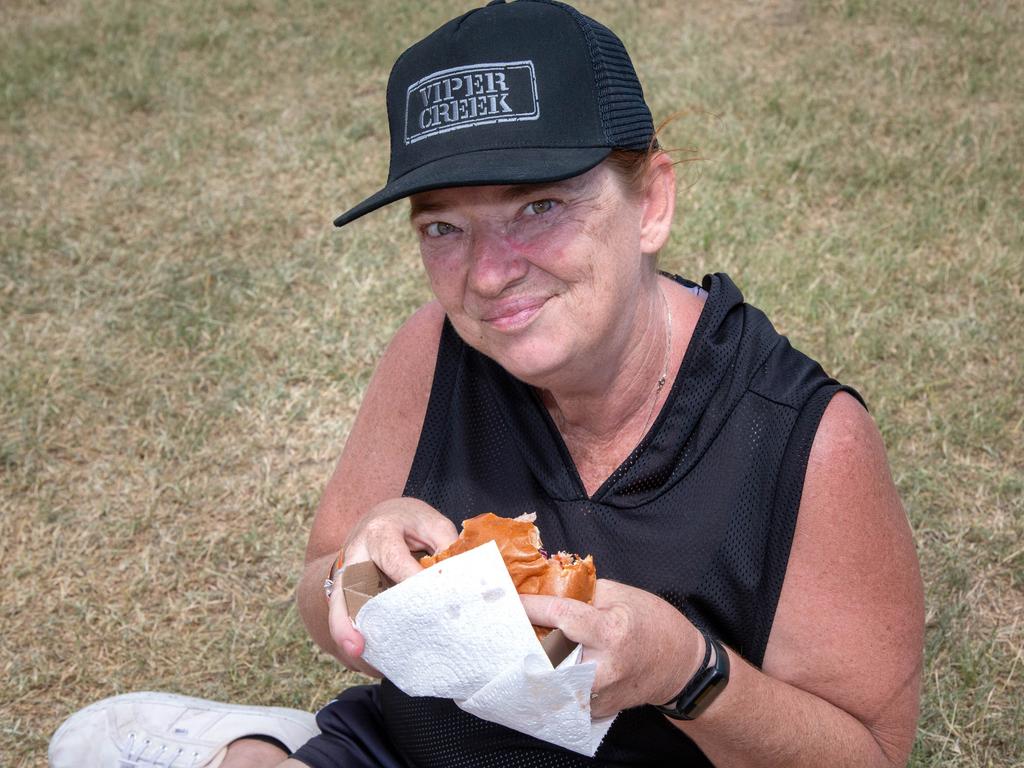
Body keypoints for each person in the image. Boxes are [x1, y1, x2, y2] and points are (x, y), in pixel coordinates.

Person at [49, 1, 925, 766]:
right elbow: (325, 599)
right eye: (443, 230)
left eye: (538, 207)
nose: (489, 275)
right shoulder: (433, 351)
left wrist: (686, 670)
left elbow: (866, 754)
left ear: (651, 202)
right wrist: (360, 570)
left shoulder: (802, 438)